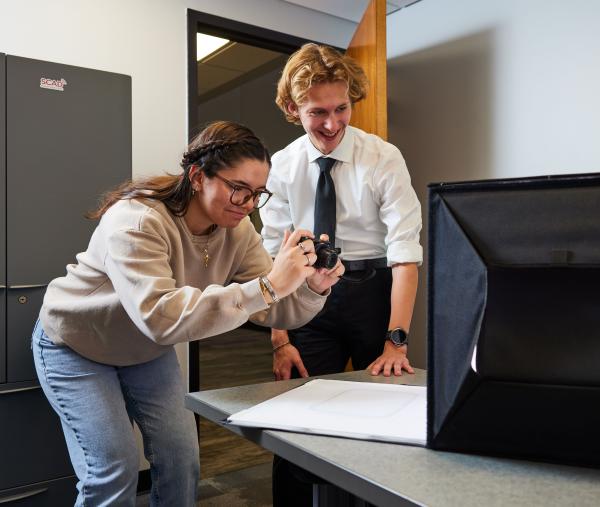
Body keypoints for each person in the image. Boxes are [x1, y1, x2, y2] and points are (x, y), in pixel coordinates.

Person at [31, 120, 344, 506]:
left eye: (257, 194)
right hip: (76, 345)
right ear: (198, 176)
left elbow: (274, 309)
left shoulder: (239, 230)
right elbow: (161, 317)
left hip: (143, 349)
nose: (247, 204)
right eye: (238, 188)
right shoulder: (137, 219)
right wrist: (269, 285)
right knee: (114, 470)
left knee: (182, 461)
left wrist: (313, 285)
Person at [260, 43, 423, 505]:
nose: (332, 124)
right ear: (293, 108)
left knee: (387, 418)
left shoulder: (382, 157)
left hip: (375, 296)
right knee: (298, 423)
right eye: (317, 112)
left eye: (341, 109)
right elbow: (273, 260)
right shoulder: (282, 166)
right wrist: (280, 339)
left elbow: (405, 255)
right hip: (307, 297)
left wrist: (396, 339)